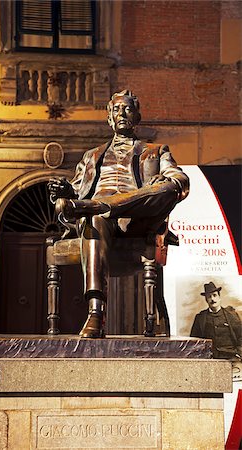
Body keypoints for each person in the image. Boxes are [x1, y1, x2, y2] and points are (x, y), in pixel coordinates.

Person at [48, 90, 189, 338]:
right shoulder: (91, 156)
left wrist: (161, 182)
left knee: (168, 188)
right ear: (109, 118)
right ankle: (95, 312)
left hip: (136, 220)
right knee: (95, 217)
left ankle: (99, 205)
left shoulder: (155, 151)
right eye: (116, 109)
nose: (121, 113)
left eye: (127, 109)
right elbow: (78, 188)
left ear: (137, 116)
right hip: (100, 222)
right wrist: (65, 190)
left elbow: (179, 180)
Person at [190, 281, 242, 360]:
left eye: (214, 295)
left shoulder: (231, 315)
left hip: (230, 357)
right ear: (206, 300)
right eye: (209, 297)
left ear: (219, 297)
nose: (212, 299)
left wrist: (239, 353)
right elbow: (194, 340)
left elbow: (240, 336)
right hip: (209, 358)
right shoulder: (200, 318)